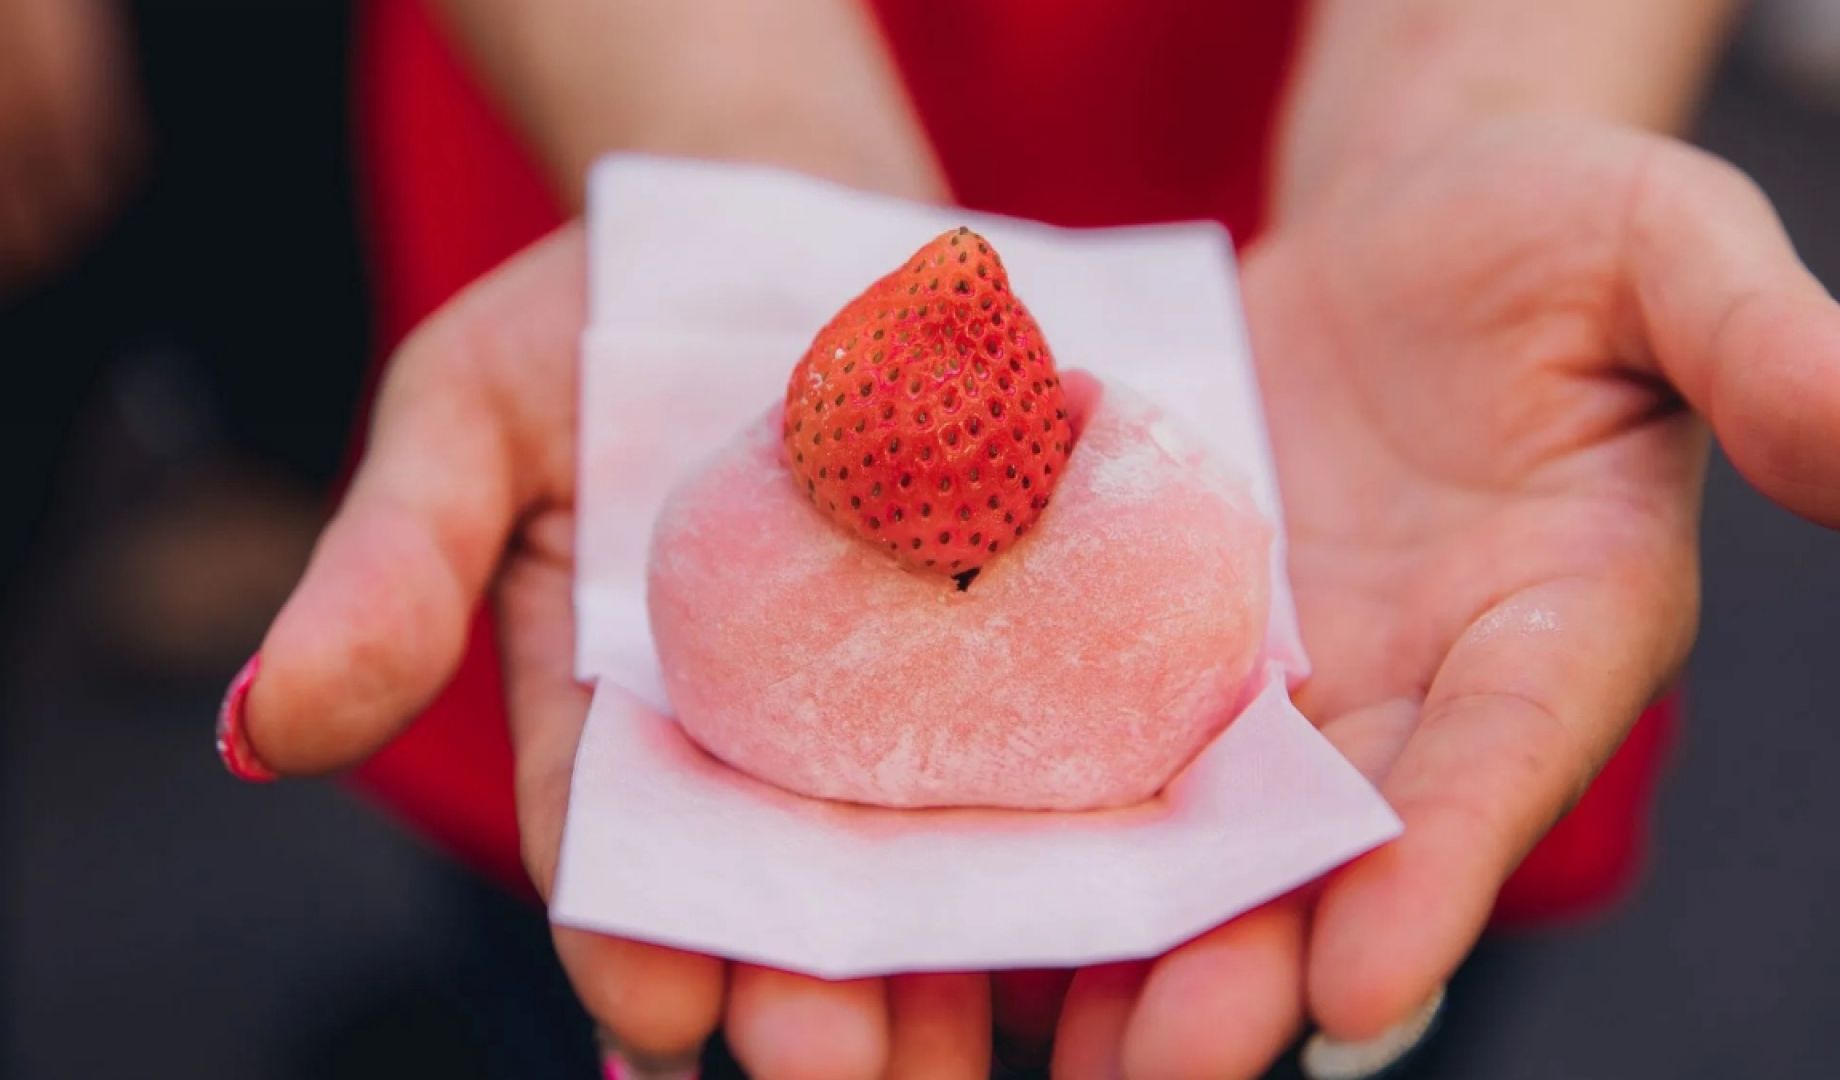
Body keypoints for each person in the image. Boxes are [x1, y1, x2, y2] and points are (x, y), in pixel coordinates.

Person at [222, 1, 1840, 1077]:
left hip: (1390, 380)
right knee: (588, 980)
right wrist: (726, 156)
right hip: (639, 188)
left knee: (1357, 935)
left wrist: (1471, 107)